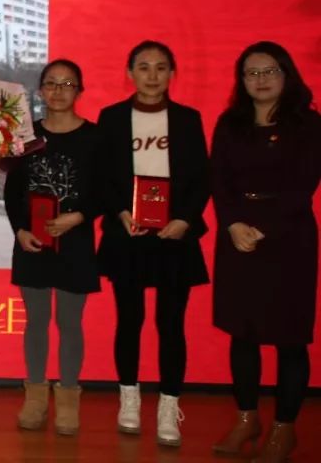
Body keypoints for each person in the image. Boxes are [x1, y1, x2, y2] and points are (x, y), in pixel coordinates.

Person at [95, 41, 209, 447]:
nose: (152, 75)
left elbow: (201, 177)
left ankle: (168, 406)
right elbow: (103, 177)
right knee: (129, 321)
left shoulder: (187, 119)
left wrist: (185, 220)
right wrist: (119, 213)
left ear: (172, 73)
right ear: (130, 73)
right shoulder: (112, 118)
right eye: (143, 67)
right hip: (128, 234)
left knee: (171, 325)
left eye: (161, 67)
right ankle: (128, 399)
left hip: (174, 235)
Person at [209, 42, 320, 462]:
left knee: (290, 338)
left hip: (290, 238)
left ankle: (283, 429)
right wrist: (234, 224)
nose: (260, 80)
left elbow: (304, 184)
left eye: (269, 71)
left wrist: (264, 228)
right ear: (241, 80)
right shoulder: (230, 123)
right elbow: (219, 180)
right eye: (251, 73)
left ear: (286, 74)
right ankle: (246, 420)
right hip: (237, 235)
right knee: (243, 334)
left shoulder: (307, 124)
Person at [4, 59, 100, 435]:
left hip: (76, 242)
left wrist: (80, 216)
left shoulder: (95, 137)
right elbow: (13, 191)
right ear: (41, 90)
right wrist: (19, 230)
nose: (59, 91)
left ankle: (69, 399)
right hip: (34, 242)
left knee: (70, 322)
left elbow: (107, 190)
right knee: (37, 320)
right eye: (51, 84)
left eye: (68, 84)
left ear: (80, 91)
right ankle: (35, 397)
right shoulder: (26, 136)